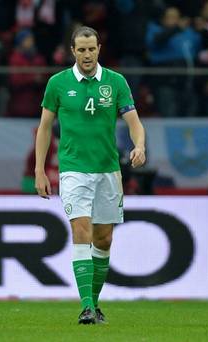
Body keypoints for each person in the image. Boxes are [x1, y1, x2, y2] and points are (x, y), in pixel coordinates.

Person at [34, 26, 146, 324]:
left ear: (99, 49)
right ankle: (85, 306)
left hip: (108, 170)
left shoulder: (116, 82)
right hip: (72, 170)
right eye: (81, 50)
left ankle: (94, 305)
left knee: (104, 239)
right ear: (73, 51)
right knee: (81, 232)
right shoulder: (58, 83)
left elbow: (134, 121)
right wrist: (40, 169)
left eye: (91, 49)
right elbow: (44, 128)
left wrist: (140, 145)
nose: (86, 54)